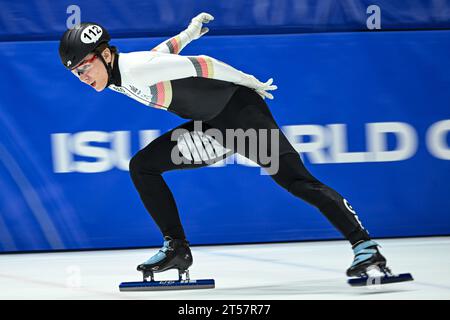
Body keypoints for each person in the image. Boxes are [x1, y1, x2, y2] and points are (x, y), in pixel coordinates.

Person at [59, 13, 388, 281]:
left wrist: (248, 81)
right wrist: (186, 35)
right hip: (212, 129)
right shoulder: (118, 73)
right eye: (75, 74)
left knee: (297, 181)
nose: (83, 78)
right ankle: (176, 248)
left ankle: (365, 246)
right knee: (142, 166)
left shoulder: (135, 68)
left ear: (104, 54)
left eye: (84, 68)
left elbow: (203, 64)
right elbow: (161, 57)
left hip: (242, 115)